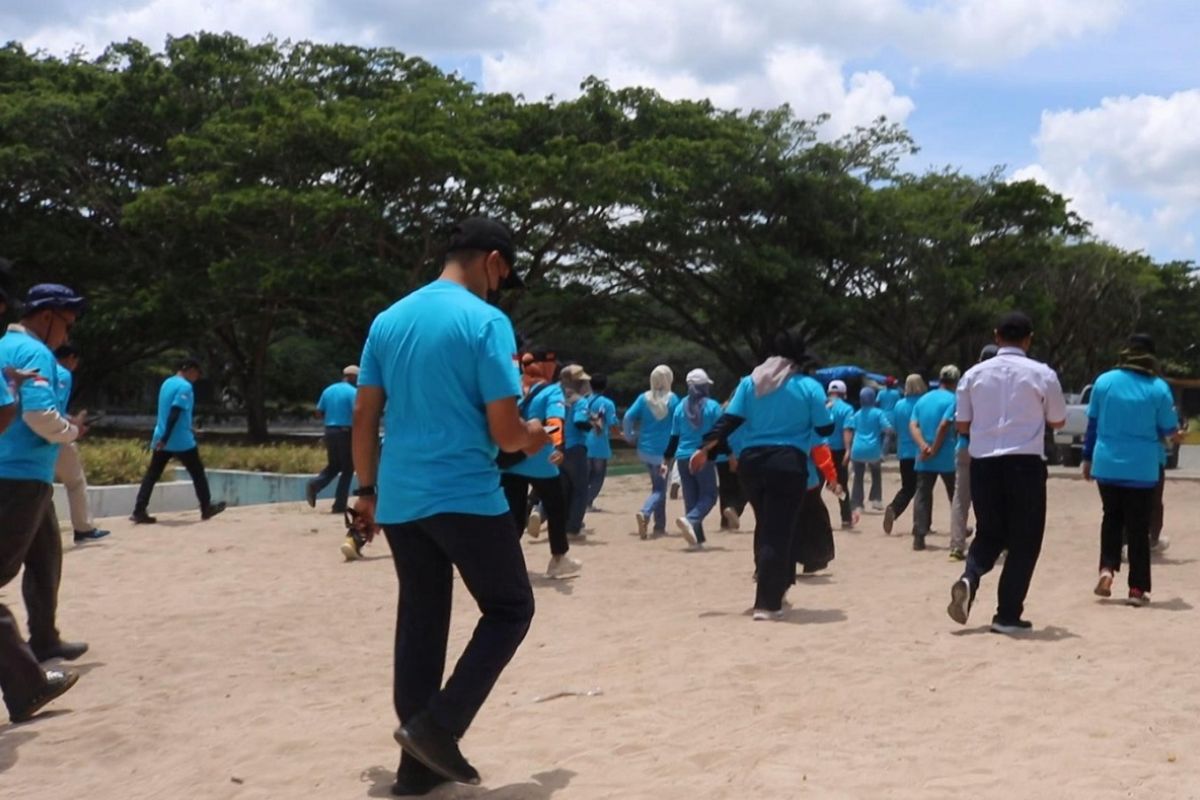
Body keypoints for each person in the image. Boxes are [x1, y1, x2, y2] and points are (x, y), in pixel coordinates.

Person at [350, 217, 550, 794]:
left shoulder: (389, 320)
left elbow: (366, 415)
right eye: (503, 275)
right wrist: (534, 436)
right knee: (511, 608)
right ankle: (439, 727)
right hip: (464, 493)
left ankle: (416, 774)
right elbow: (506, 432)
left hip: (402, 498)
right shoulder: (487, 322)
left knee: (421, 618)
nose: (499, 288)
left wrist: (366, 490)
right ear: (492, 261)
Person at [691, 331, 835, 620]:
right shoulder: (809, 387)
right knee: (779, 531)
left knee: (767, 525)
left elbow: (729, 420)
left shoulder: (750, 383)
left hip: (752, 465)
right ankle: (768, 603)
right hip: (788, 463)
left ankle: (776, 585)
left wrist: (704, 448)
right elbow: (825, 429)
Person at [0, 283, 88, 723]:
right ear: (47, 315)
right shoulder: (34, 355)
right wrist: (70, 431)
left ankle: (43, 642)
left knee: (46, 552)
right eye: (65, 324)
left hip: (17, 474)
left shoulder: (4, 347)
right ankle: (26, 683)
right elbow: (38, 416)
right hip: (19, 477)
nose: (65, 336)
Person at [947, 312, 1066, 635]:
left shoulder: (972, 375)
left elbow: (962, 425)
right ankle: (1007, 614)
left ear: (997, 336)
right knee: (1025, 539)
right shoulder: (1042, 374)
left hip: (983, 463)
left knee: (990, 531)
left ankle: (969, 576)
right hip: (1025, 463)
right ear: (1029, 339)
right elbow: (1058, 420)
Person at [1083, 334, 1178, 606]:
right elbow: (1168, 429)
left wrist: (1087, 459)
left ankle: (1107, 570)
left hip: (1107, 462)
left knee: (1111, 517)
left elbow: (1092, 425)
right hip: (1142, 466)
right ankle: (1137, 589)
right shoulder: (1158, 388)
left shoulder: (1104, 381)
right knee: (1138, 526)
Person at [501, 347, 581, 579]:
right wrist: (557, 445)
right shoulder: (552, 391)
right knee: (557, 508)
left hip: (510, 459)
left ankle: (505, 561)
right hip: (540, 461)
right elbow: (554, 421)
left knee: (514, 514)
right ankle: (559, 558)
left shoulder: (512, 385)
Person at [130, 359, 226, 524]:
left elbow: (171, 412)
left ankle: (139, 510)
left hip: (161, 435)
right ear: (189, 370)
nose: (197, 377)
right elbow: (175, 412)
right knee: (197, 472)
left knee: (152, 474)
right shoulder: (185, 387)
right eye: (197, 372)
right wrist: (167, 437)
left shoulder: (167, 383)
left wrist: (165, 437)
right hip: (179, 440)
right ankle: (206, 508)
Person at [52, 344, 110, 542]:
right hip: (56, 435)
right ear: (70, 358)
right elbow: (54, 410)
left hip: (34, 434)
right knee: (76, 482)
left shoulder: (41, 369)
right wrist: (75, 425)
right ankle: (83, 527)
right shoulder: (63, 375)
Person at [947, 345, 998, 560]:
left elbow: (959, 422)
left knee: (961, 498)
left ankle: (957, 546)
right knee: (994, 497)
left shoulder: (969, 380)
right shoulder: (1001, 385)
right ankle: (996, 542)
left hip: (966, 445)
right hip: (992, 447)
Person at [662, 369, 722, 549]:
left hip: (681, 456)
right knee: (710, 495)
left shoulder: (680, 407)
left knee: (691, 498)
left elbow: (674, 437)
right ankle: (691, 519)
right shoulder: (713, 407)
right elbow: (720, 433)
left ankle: (696, 541)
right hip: (702, 455)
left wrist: (666, 460)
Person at [622, 365, 680, 539]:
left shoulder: (643, 398)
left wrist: (629, 435)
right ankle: (645, 513)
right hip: (664, 453)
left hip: (645, 450)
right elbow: (679, 420)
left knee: (657, 486)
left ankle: (659, 526)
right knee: (660, 490)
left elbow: (627, 417)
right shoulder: (673, 399)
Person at [909, 365, 960, 551]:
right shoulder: (954, 399)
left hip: (923, 455)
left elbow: (913, 425)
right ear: (956, 382)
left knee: (922, 495)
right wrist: (936, 449)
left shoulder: (923, 399)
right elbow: (945, 425)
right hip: (946, 455)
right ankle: (958, 531)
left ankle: (919, 535)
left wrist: (924, 446)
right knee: (955, 496)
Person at [306, 365, 359, 515]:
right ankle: (339, 505)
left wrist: (332, 417)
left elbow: (318, 412)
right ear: (353, 377)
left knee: (334, 465)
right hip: (345, 432)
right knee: (348, 468)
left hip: (330, 431)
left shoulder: (328, 390)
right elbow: (358, 412)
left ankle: (315, 485)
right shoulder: (353, 392)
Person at [883, 374, 926, 535]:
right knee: (922, 490)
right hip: (921, 450)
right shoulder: (923, 403)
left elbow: (893, 426)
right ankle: (921, 524)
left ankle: (894, 508)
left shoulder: (899, 405)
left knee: (908, 487)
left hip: (903, 452)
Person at [845, 386, 892, 514]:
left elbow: (850, 428)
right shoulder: (878, 413)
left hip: (857, 449)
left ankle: (857, 504)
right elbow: (887, 429)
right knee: (876, 474)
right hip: (873, 449)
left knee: (858, 477)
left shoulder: (857, 413)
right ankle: (876, 499)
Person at [559, 364, 593, 538]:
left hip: (558, 447)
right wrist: (592, 424)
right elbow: (580, 422)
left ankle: (563, 525)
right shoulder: (580, 401)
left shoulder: (557, 397)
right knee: (580, 489)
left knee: (565, 489)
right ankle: (573, 528)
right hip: (576, 447)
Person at [584, 373, 620, 512]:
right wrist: (622, 435)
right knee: (598, 476)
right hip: (599, 444)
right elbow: (612, 424)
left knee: (585, 477)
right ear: (605, 386)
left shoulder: (583, 401)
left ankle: (582, 502)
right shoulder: (607, 403)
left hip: (584, 442)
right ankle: (587, 503)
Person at [826, 380, 855, 528]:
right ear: (844, 393)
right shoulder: (847, 409)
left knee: (813, 486)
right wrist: (848, 449)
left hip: (820, 449)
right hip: (838, 450)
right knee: (841, 483)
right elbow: (847, 430)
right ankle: (846, 518)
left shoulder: (821, 407)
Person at [716, 414, 747, 530]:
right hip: (740, 453)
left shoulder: (722, 412)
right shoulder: (746, 413)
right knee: (746, 488)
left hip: (721, 456)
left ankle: (725, 523)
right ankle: (735, 509)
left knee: (725, 490)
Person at [877, 376, 902, 456]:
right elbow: (899, 403)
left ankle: (879, 452)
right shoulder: (896, 393)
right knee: (891, 435)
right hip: (893, 415)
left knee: (881, 435)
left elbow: (876, 402)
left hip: (882, 414)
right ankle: (884, 454)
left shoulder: (881, 392)